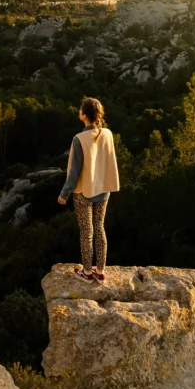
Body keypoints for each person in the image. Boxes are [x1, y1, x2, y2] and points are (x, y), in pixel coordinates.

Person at [58, 97, 120, 284]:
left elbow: (75, 171)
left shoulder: (79, 139)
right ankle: (100, 272)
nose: (79, 111)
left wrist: (64, 193)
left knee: (87, 231)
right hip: (103, 189)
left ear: (84, 114)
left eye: (80, 109)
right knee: (100, 228)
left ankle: (86, 272)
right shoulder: (107, 134)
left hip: (84, 191)